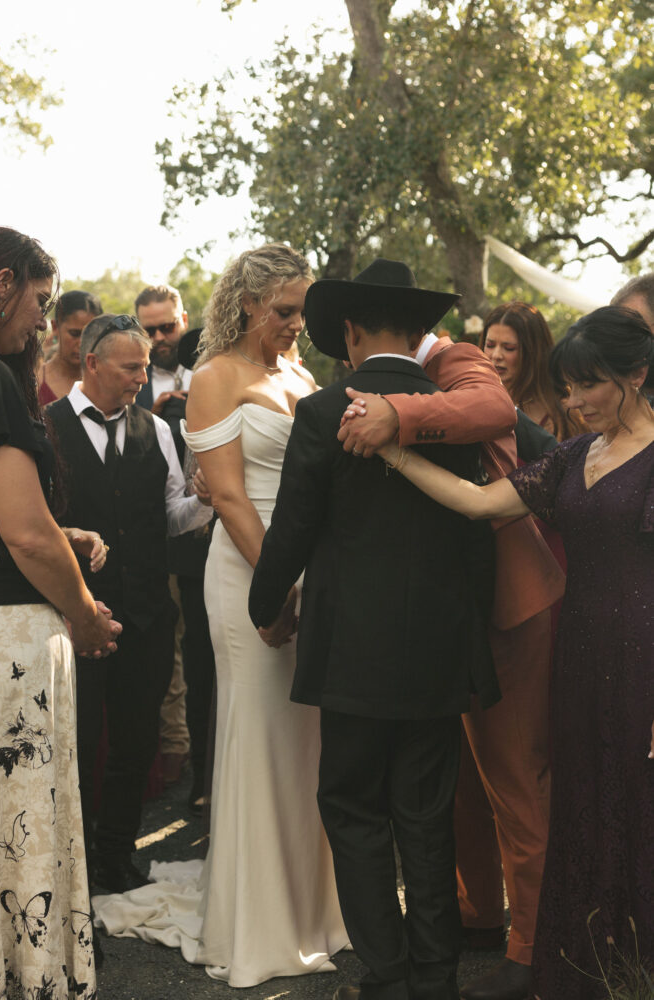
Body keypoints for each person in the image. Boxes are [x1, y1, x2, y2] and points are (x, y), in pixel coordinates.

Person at [376, 305, 654, 1000]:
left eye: (588, 385)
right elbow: (477, 504)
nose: (573, 401)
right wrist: (394, 451)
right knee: (583, 803)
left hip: (645, 661)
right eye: (565, 387)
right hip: (579, 654)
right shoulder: (572, 454)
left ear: (636, 376)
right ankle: (600, 966)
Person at [249, 259, 502, 1000]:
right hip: (435, 653)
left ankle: (385, 973)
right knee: (424, 815)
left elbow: (292, 528)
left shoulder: (324, 412)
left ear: (351, 332)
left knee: (354, 810)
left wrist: (267, 606)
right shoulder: (452, 410)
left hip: (350, 655)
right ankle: (434, 974)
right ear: (422, 331)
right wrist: (471, 632)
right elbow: (476, 534)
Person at [338, 327, 564, 1000]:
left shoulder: (450, 359)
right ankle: (476, 916)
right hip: (450, 614)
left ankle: (531, 949)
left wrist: (393, 418)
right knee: (461, 780)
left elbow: (492, 412)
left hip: (511, 606)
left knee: (516, 780)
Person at [177, 244, 348, 986]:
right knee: (260, 738)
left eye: (302, 311)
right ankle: (256, 923)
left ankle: (312, 912)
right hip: (249, 572)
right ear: (246, 305)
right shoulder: (214, 378)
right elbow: (232, 499)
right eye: (284, 311)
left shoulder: (303, 375)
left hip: (312, 569)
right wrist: (276, 591)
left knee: (306, 745)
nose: (295, 325)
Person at [0, 225, 120, 999]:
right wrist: (87, 613)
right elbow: (23, 536)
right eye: (39, 301)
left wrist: (56, 537)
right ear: (3, 284)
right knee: (6, 823)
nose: (39, 320)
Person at [47, 314, 212, 895]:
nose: (142, 379)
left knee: (136, 742)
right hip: (73, 616)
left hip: (146, 613)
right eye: (130, 367)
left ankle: (118, 855)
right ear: (91, 363)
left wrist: (204, 502)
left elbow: (170, 517)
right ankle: (77, 863)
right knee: (79, 742)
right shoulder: (45, 428)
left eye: (144, 367)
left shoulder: (158, 431)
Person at [135, 286, 215, 809]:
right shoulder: (134, 386)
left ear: (184, 319)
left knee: (211, 657)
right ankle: (173, 768)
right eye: (151, 330)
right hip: (161, 542)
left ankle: (210, 780)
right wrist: (158, 415)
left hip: (216, 537)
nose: (162, 338)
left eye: (168, 327)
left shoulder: (212, 372)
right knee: (172, 657)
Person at [480, 300, 580, 443]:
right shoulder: (476, 398)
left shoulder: (566, 413)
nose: (496, 355)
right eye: (490, 345)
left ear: (534, 352)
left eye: (509, 348)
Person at [38, 289, 103, 404]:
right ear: (55, 327)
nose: (81, 343)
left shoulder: (105, 382)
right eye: (74, 334)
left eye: (90, 335)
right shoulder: (35, 380)